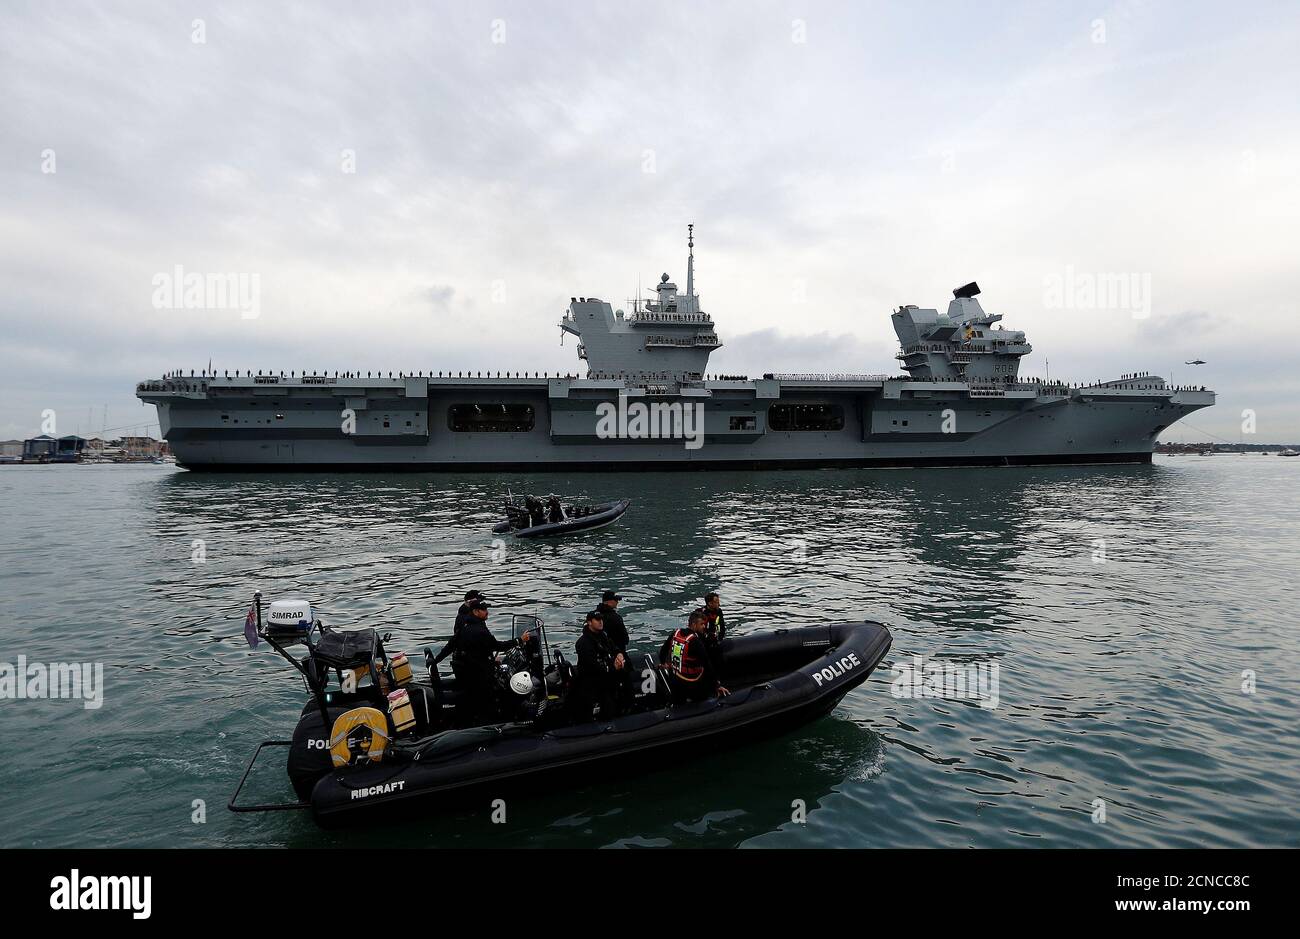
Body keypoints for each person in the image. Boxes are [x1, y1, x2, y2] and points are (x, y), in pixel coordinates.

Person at [451, 600, 530, 727]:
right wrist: (519, 640)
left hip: (474, 669)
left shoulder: (467, 626)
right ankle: (500, 720)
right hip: (480, 675)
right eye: (484, 609)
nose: (487, 612)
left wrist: (492, 659)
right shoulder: (479, 629)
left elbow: (478, 649)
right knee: (499, 689)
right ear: (476, 612)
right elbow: (497, 645)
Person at [659, 609, 729, 704]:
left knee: (677, 703)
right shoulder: (695, 641)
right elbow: (707, 664)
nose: (704, 627)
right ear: (693, 624)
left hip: (675, 679)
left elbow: (662, 652)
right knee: (704, 695)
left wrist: (664, 663)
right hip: (691, 682)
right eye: (701, 624)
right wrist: (717, 685)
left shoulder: (675, 634)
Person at [572, 609, 626, 721]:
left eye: (601, 619)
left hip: (607, 678)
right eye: (597, 620)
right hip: (593, 683)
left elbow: (614, 648)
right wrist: (612, 668)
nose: (600, 622)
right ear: (589, 622)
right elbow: (592, 665)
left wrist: (619, 654)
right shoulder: (583, 643)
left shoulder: (603, 636)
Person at [433, 590, 484, 665]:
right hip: (471, 661)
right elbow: (455, 642)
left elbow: (452, 643)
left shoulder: (469, 616)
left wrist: (436, 661)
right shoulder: (467, 620)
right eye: (478, 603)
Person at [597, 590, 629, 654]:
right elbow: (625, 638)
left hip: (600, 650)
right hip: (617, 652)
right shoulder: (615, 618)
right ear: (609, 601)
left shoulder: (595, 615)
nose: (617, 602)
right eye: (616, 600)